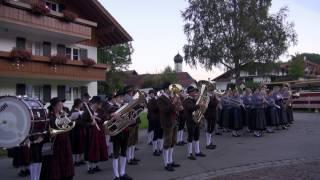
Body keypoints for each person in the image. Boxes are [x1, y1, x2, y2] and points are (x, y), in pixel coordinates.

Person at [40, 97, 74, 180]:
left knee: (66, 161)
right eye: (59, 105)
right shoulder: (50, 117)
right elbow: (48, 130)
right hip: (55, 143)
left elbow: (69, 127)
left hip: (65, 142)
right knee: (55, 164)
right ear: (54, 106)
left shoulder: (62, 115)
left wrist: (67, 118)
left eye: (62, 105)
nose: (61, 106)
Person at [106, 91, 133, 180]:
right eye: (119, 97)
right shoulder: (111, 108)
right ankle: (116, 175)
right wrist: (112, 116)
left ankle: (122, 173)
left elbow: (130, 118)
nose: (121, 99)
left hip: (125, 131)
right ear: (115, 99)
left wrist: (131, 120)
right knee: (116, 153)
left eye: (122, 97)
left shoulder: (125, 107)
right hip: (116, 133)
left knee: (124, 153)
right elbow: (107, 116)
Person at [157, 82, 181, 171]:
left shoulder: (171, 97)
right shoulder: (160, 99)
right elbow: (164, 110)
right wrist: (173, 103)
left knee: (173, 142)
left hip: (174, 121)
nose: (172, 90)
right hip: (167, 123)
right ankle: (166, 163)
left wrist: (178, 106)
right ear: (165, 89)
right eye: (170, 88)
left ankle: (170, 161)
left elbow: (174, 109)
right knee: (167, 143)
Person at [82, 96, 108, 174]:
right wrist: (90, 123)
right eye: (99, 103)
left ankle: (95, 165)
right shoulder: (87, 111)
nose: (101, 105)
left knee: (98, 149)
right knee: (90, 150)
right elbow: (82, 123)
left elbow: (104, 118)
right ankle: (89, 167)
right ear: (96, 103)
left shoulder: (100, 110)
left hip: (99, 133)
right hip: (90, 134)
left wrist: (98, 118)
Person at [183, 86, 206, 160]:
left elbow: (198, 108)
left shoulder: (195, 100)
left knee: (197, 136)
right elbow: (191, 108)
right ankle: (189, 154)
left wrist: (202, 105)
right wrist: (199, 105)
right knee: (190, 137)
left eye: (195, 91)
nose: (195, 93)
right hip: (190, 121)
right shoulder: (186, 100)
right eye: (193, 92)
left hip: (196, 120)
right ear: (189, 93)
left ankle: (197, 151)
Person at [124, 86, 140, 165]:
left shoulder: (131, 97)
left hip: (134, 120)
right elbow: (132, 106)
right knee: (129, 141)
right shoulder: (127, 98)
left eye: (132, 91)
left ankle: (132, 157)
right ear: (128, 91)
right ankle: (129, 158)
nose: (132, 92)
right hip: (130, 121)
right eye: (130, 91)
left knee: (133, 140)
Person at [69, 98, 86, 166]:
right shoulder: (73, 111)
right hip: (75, 130)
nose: (82, 104)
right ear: (78, 104)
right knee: (76, 145)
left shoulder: (81, 110)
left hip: (81, 129)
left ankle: (80, 159)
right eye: (81, 103)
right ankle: (75, 161)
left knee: (81, 144)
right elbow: (71, 120)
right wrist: (80, 120)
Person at [147, 89, 162, 156]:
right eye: (151, 93)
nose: (152, 94)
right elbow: (153, 109)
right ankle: (154, 150)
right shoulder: (150, 100)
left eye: (153, 93)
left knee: (160, 135)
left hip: (159, 119)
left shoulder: (156, 99)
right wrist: (158, 103)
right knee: (155, 134)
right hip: (154, 119)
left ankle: (160, 148)